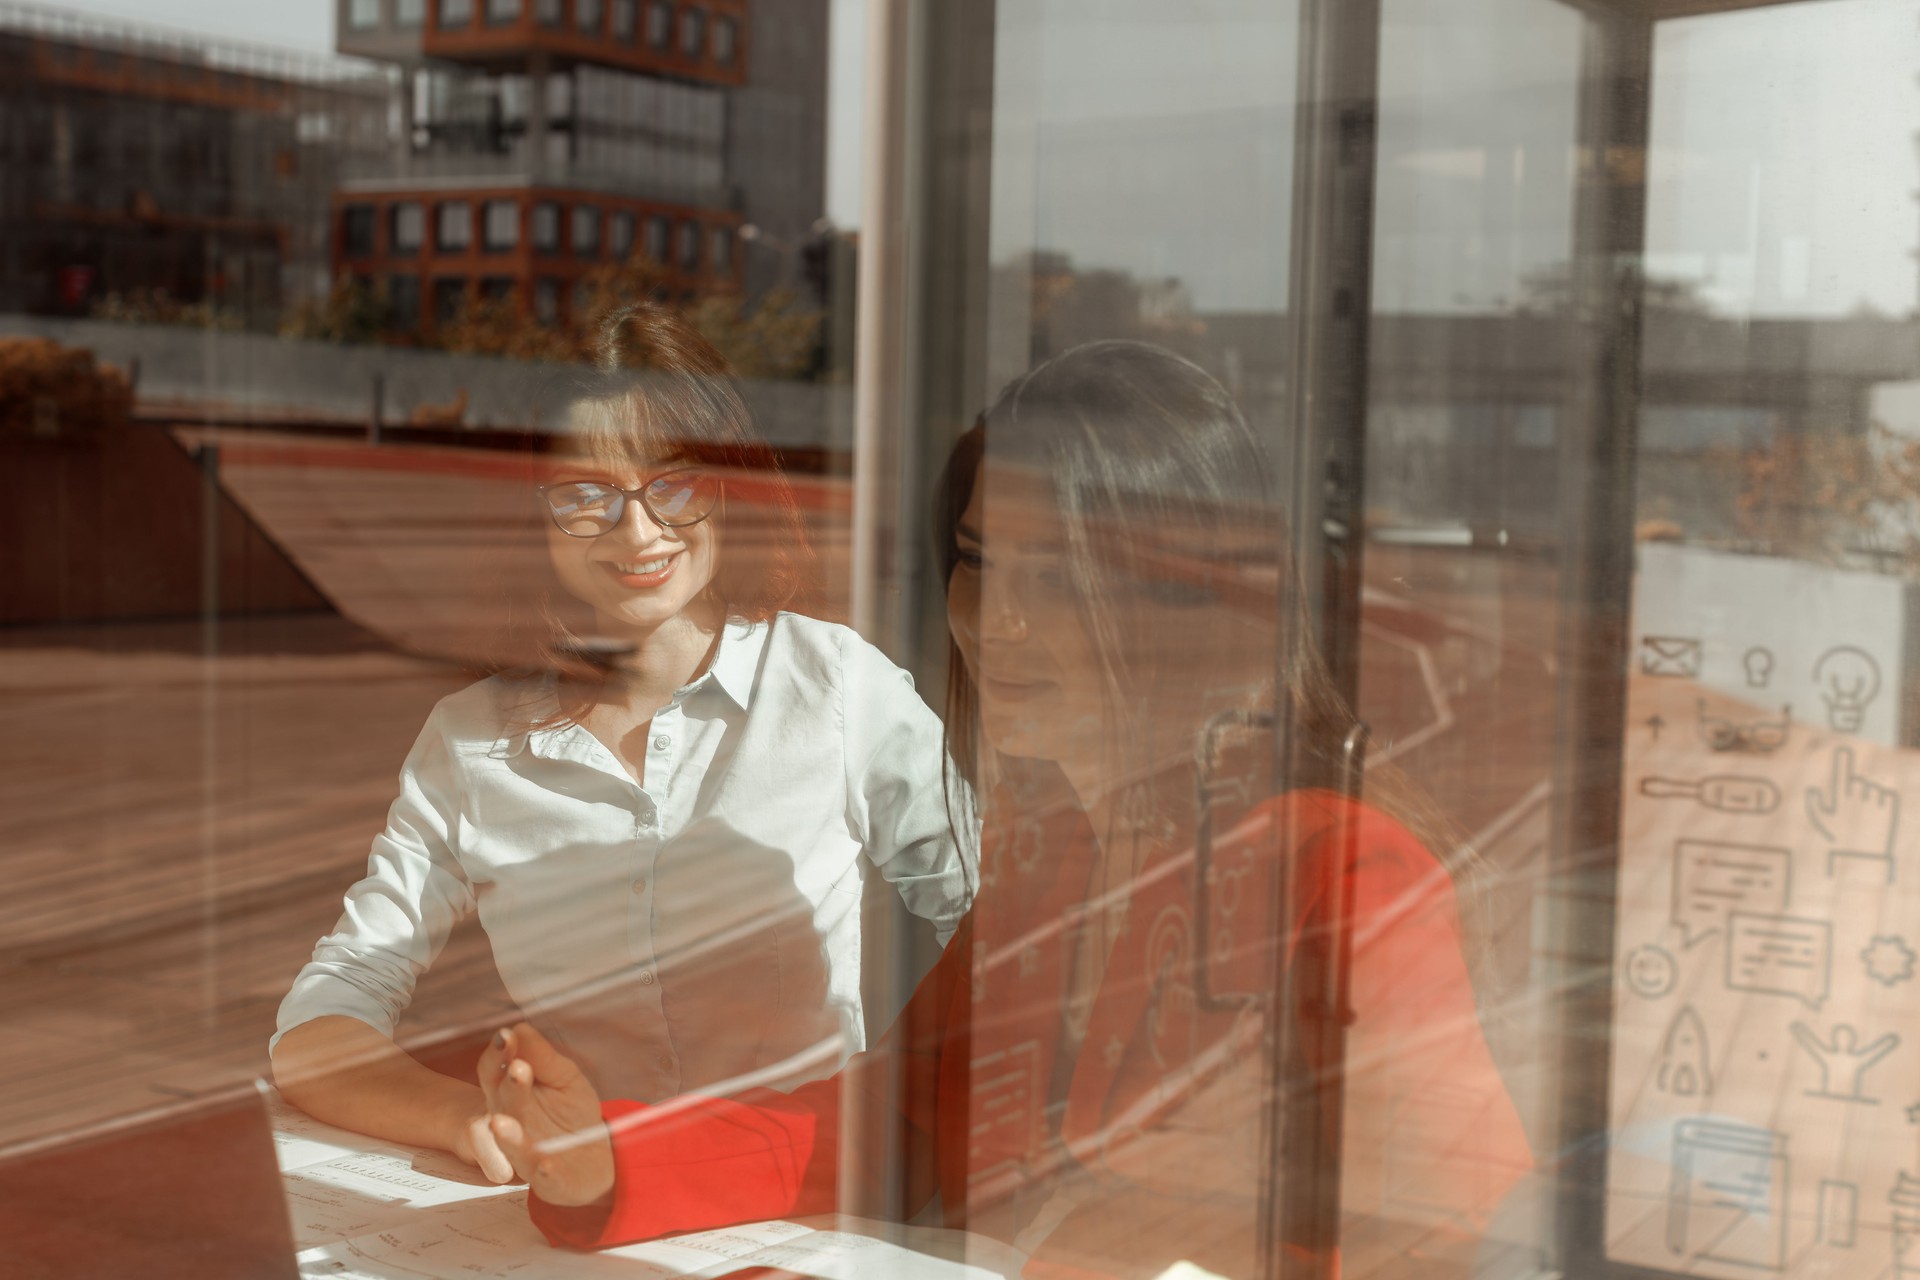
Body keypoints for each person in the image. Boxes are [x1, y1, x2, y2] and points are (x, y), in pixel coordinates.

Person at [477, 341, 1533, 1276]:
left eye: (1063, 575)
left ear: (1187, 596)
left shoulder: (1346, 866)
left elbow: (1459, 1233)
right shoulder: (1055, 841)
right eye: (979, 563)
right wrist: (606, 1158)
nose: (1001, 619)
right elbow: (900, 1117)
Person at [270, 303, 974, 1185]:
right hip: (579, 1207)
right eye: (585, 496)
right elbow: (317, 1028)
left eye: (675, 483)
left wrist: (917, 1106)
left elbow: (996, 929)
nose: (638, 533)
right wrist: (469, 1118)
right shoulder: (470, 742)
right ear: (535, 513)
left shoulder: (833, 685)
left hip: (799, 1189)